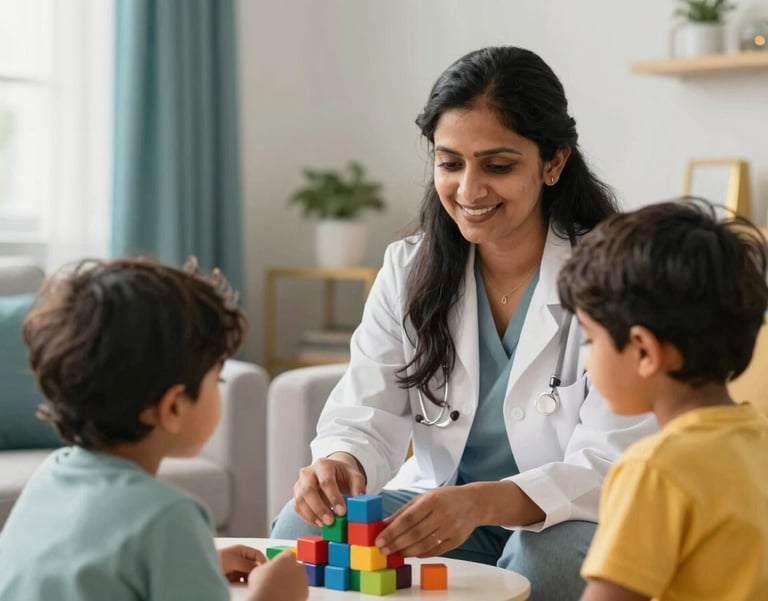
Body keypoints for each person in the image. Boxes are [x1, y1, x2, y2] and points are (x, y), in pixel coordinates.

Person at [271, 46, 657, 600]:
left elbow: (616, 462)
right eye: (450, 163)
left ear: (553, 163)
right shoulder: (408, 268)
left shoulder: (618, 277)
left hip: (568, 518)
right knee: (299, 530)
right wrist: (339, 462)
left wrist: (484, 502)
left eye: (497, 166)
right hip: (441, 511)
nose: (469, 191)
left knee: (537, 561)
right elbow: (366, 410)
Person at [0, 258, 308, 601]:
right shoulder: (169, 516)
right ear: (174, 407)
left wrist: (189, 565)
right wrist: (271, 596)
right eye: (216, 380)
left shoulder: (50, 477)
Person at [556, 200, 768, 601]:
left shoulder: (653, 470)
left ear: (644, 351)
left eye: (590, 339)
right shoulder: (758, 441)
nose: (586, 359)